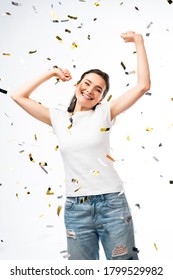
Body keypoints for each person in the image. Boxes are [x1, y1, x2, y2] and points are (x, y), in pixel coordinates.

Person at [11, 31, 150, 260]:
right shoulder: (58, 119)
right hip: (77, 209)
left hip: (112, 204)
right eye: (87, 83)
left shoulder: (105, 113)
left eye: (98, 89)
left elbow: (143, 85)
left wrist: (138, 42)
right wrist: (52, 72)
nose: (91, 90)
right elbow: (18, 96)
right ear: (76, 85)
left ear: (101, 98)